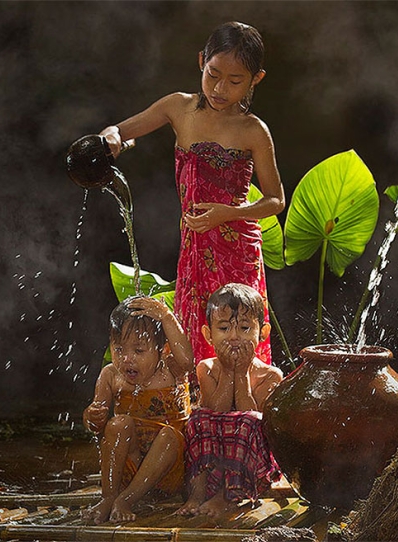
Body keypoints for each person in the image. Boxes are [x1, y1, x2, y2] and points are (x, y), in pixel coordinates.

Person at [99, 21, 286, 367]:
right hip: (195, 243)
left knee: (235, 333)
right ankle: (198, 402)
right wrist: (112, 138)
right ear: (202, 61)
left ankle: (242, 401)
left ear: (256, 79)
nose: (220, 88)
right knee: (194, 334)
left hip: (237, 248)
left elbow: (276, 200)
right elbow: (121, 130)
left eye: (235, 81)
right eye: (213, 74)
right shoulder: (178, 108)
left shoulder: (254, 131)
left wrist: (228, 213)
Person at [82, 295, 194, 524]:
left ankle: (126, 500)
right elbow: (96, 425)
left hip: (170, 472)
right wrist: (92, 416)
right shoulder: (110, 375)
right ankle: (109, 497)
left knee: (169, 436)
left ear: (163, 350)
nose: (127, 359)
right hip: (130, 469)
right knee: (117, 424)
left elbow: (188, 361)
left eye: (139, 351)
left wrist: (166, 317)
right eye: (119, 348)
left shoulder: (171, 369)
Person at [175, 283, 283, 517]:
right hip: (215, 463)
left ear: (262, 333)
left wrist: (241, 372)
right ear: (208, 335)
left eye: (245, 328)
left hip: (252, 467)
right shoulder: (206, 368)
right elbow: (217, 409)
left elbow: (255, 422)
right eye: (224, 328)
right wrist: (227, 370)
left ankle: (227, 497)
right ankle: (197, 494)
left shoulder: (270, 375)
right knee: (198, 418)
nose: (234, 337)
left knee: (252, 420)